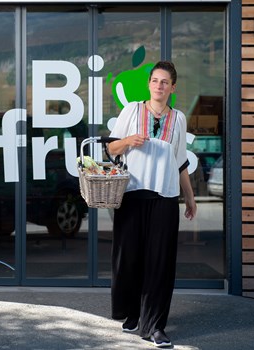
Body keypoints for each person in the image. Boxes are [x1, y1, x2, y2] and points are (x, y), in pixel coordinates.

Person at [107, 60, 197, 348]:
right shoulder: (132, 110)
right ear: (149, 84)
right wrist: (128, 141)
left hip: (165, 197)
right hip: (132, 194)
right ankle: (132, 312)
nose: (159, 86)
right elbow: (111, 148)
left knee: (160, 264)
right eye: (155, 81)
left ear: (173, 87)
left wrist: (190, 197)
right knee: (129, 259)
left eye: (165, 82)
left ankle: (155, 326)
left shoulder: (179, 119)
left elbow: (181, 162)